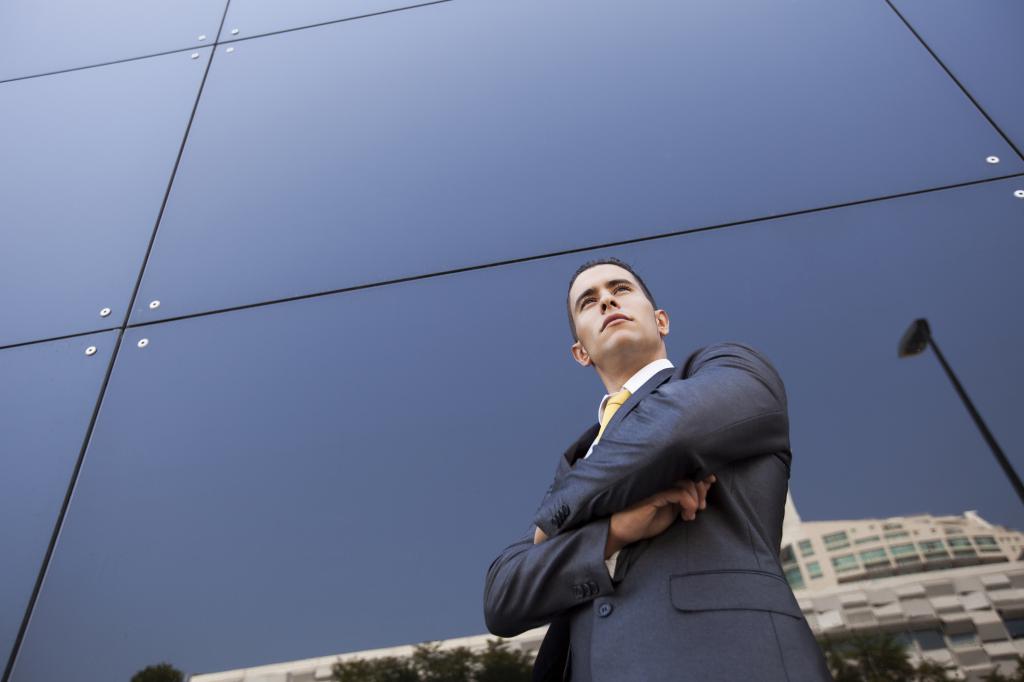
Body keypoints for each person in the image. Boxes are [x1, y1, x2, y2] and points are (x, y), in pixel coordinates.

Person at [483, 257, 832, 681]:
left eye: (621, 289)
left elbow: (672, 433)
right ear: (581, 353)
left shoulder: (730, 368)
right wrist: (613, 532)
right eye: (588, 302)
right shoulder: (576, 461)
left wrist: (549, 526)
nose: (607, 300)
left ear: (661, 320)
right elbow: (501, 597)